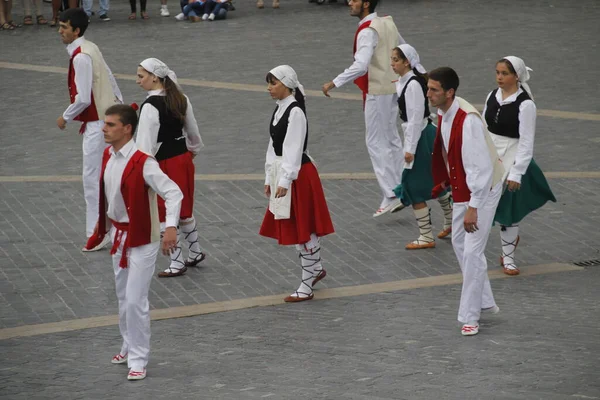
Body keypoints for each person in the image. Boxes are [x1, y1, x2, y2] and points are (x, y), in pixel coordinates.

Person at [91, 104, 183, 381]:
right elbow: (109, 196)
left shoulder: (144, 162)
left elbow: (173, 192)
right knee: (123, 297)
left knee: (135, 299)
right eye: (105, 124)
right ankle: (128, 344)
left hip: (142, 239)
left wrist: (170, 228)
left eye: (110, 125)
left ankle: (139, 358)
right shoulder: (109, 155)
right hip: (120, 237)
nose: (104, 129)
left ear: (127, 128)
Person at [428, 67, 504, 336]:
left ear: (450, 92)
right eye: (428, 88)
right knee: (461, 244)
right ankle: (484, 301)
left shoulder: (467, 120)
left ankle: (470, 316)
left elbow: (481, 169)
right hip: (465, 187)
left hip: (483, 190)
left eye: (434, 89)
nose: (429, 94)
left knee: (472, 252)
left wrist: (474, 207)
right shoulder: (443, 112)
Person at [322, 0, 406, 218]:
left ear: (366, 4)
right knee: (392, 138)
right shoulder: (387, 23)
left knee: (375, 141)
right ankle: (402, 186)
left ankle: (391, 194)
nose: (349, 2)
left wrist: (335, 82)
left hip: (377, 89)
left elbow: (361, 65)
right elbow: (406, 50)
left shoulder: (367, 31)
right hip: (392, 87)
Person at [259, 65, 335, 302]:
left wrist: (284, 179)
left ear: (287, 84)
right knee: (297, 225)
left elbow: (293, 148)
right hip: (288, 173)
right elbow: (274, 145)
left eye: (274, 83)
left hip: (299, 175)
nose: (269, 88)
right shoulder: (281, 108)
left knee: (304, 228)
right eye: (269, 83)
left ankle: (307, 283)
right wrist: (269, 176)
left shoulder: (295, 112)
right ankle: (315, 269)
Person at [57, 8, 123, 252]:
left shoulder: (80, 56)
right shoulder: (91, 47)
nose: (60, 31)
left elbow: (83, 98)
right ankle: (110, 226)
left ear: (76, 30)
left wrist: (65, 117)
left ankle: (97, 231)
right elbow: (110, 79)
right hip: (106, 119)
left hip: (97, 125)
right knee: (108, 175)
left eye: (64, 27)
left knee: (92, 179)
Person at [483, 56, 556, 276]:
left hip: (512, 155)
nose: (499, 77)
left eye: (504, 73)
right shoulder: (491, 96)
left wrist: (517, 172)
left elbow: (526, 141)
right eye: (497, 72)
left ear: (516, 76)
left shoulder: (525, 105)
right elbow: (485, 127)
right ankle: (507, 245)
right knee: (484, 203)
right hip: (491, 154)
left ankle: (508, 257)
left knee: (509, 208)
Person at [135, 58, 206, 278]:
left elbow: (145, 144)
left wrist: (141, 169)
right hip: (182, 158)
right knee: (184, 206)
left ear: (154, 77)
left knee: (164, 210)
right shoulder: (181, 98)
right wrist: (191, 150)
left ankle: (176, 262)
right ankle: (194, 251)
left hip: (163, 163)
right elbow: (193, 132)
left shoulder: (150, 106)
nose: (138, 81)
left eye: (141, 76)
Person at [390, 44, 453, 250]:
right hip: (423, 135)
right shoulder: (407, 81)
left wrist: (410, 149)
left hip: (420, 137)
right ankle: (451, 220)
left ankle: (426, 235)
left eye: (396, 60)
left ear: (407, 61)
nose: (392, 64)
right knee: (434, 179)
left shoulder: (413, 85)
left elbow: (416, 118)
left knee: (413, 187)